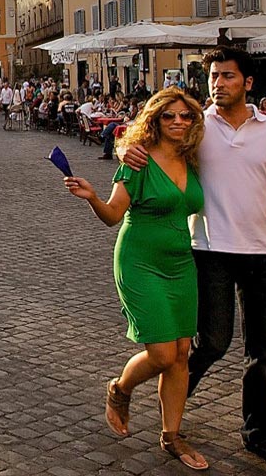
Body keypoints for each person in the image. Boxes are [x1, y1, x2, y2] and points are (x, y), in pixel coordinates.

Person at [122, 47, 266, 474]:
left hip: (263, 252)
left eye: (227, 76)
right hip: (208, 251)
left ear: (248, 83)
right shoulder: (194, 128)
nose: (218, 83)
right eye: (213, 76)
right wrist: (126, 152)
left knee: (264, 351)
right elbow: (145, 141)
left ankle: (261, 435)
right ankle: (172, 406)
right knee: (212, 342)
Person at [64, 87, 211, 471]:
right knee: (162, 353)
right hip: (139, 262)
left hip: (182, 263)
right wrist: (93, 197)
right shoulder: (138, 160)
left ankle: (171, 434)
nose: (178, 122)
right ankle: (119, 388)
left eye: (185, 116)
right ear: (154, 120)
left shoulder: (194, 157)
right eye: (169, 116)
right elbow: (114, 215)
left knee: (181, 354)